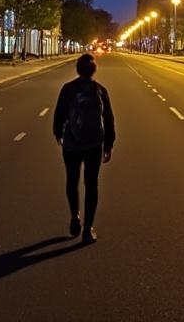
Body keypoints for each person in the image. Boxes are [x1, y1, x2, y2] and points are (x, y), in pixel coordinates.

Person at [52, 53, 115, 244]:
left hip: (72, 144)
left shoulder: (68, 89)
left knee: (72, 181)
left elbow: (59, 115)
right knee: (91, 185)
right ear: (94, 70)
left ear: (77, 69)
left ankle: (74, 216)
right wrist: (108, 144)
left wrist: (59, 134)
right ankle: (88, 229)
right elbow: (109, 119)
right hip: (94, 145)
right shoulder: (100, 90)